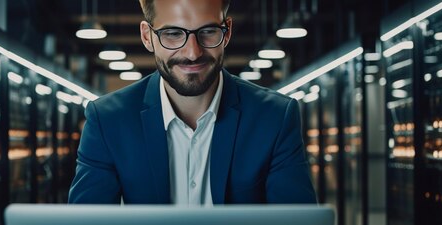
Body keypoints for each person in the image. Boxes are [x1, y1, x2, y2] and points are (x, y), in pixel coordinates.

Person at [68, 0, 317, 205]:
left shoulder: (274, 117)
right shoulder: (108, 120)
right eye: (173, 34)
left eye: (208, 32)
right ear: (147, 37)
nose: (192, 53)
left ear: (227, 32)